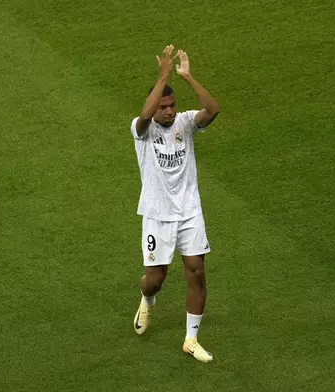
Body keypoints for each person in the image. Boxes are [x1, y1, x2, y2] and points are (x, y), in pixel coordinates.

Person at [129, 44, 220, 363]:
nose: (168, 111)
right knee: (156, 279)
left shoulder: (185, 123)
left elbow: (213, 108)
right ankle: (147, 299)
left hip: (190, 213)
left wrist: (187, 76)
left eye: (172, 105)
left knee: (196, 271)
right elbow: (143, 115)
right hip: (157, 216)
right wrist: (162, 75)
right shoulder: (141, 130)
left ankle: (191, 339)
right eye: (163, 106)